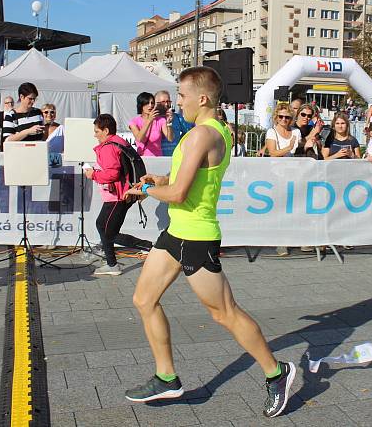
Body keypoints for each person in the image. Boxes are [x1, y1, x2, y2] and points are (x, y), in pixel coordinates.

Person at [124, 67, 296, 418]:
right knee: (144, 299)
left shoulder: (204, 133)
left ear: (202, 98)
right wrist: (158, 178)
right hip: (176, 233)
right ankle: (167, 377)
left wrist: (145, 189)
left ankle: (277, 374)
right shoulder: (200, 133)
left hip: (198, 237)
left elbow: (178, 192)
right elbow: (180, 179)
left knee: (224, 314)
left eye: (182, 96)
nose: (177, 103)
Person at [84, 114, 153, 276]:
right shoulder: (119, 141)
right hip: (124, 193)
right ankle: (111, 263)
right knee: (104, 226)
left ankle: (151, 247)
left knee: (108, 231)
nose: (95, 135)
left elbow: (112, 174)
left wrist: (92, 174)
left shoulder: (108, 146)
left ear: (106, 130)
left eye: (97, 131)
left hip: (117, 195)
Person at [129, 92, 171, 157]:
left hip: (158, 158)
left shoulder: (160, 120)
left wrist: (169, 123)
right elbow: (139, 139)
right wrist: (149, 120)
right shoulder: (134, 122)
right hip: (142, 158)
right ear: (141, 105)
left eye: (152, 103)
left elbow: (170, 138)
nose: (150, 105)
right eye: (147, 103)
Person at [157, 90, 193, 157]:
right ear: (156, 103)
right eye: (163, 102)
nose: (166, 104)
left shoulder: (177, 117)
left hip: (175, 156)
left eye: (168, 101)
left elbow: (189, 131)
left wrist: (181, 143)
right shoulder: (153, 119)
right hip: (157, 158)